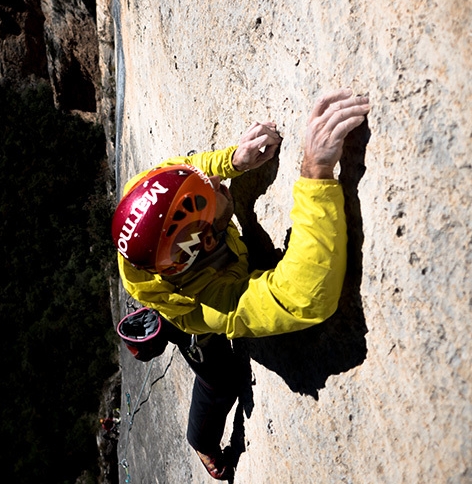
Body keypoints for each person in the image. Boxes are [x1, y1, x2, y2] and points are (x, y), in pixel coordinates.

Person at [111, 89, 370, 480]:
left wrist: (233, 160)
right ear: (208, 241)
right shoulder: (210, 303)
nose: (217, 181)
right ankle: (201, 441)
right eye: (214, 191)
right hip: (186, 315)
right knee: (221, 378)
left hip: (170, 280)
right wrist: (315, 174)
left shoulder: (145, 201)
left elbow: (185, 167)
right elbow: (301, 297)